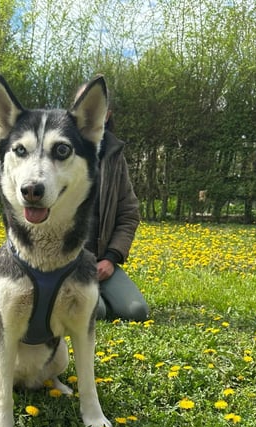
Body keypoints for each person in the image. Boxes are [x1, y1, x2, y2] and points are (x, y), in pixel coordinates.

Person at [78, 88, 149, 321]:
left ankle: (98, 290)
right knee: (96, 312)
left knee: (137, 312)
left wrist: (110, 258)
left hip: (102, 261)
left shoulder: (115, 155)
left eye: (96, 106)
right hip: (67, 262)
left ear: (107, 114)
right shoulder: (57, 150)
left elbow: (129, 213)